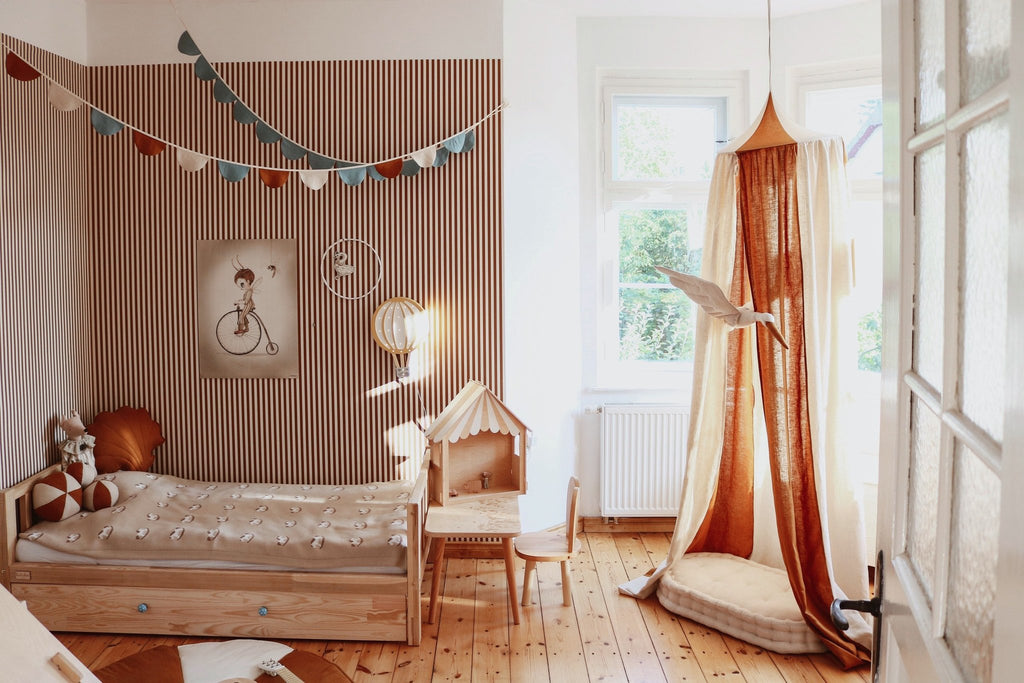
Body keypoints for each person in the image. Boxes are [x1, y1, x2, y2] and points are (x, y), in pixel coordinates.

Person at [232, 263, 261, 335]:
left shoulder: (249, 291)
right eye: (239, 286)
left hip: (248, 304)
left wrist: (238, 302)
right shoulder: (247, 291)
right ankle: (247, 328)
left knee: (241, 316)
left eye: (242, 284)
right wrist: (239, 301)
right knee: (243, 315)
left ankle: (240, 329)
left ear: (248, 281)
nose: (241, 287)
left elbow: (246, 301)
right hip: (248, 304)